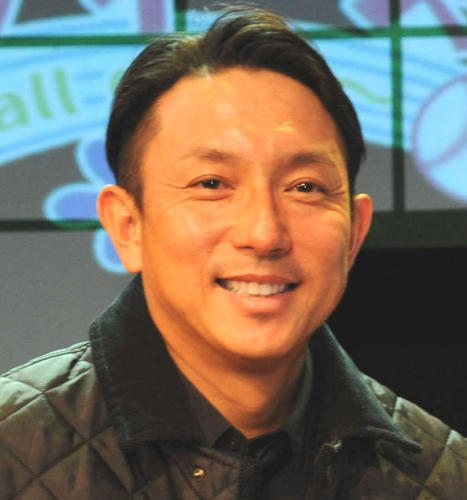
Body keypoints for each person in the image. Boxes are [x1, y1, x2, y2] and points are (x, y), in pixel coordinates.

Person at [1, 6, 466, 499]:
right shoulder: (14, 451)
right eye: (212, 183)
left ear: (355, 232)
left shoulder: (445, 478)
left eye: (304, 187)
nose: (264, 233)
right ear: (127, 225)